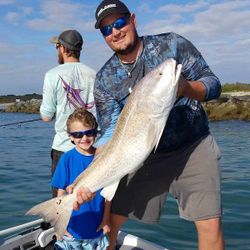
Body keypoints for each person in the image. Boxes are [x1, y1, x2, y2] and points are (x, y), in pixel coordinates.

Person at [72, 1, 225, 249]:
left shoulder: (172, 44)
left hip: (193, 145)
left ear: (133, 19)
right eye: (106, 30)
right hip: (143, 154)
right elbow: (109, 134)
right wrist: (86, 180)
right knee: (111, 218)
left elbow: (213, 83)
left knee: (210, 224)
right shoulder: (104, 79)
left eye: (119, 23)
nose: (115, 32)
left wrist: (187, 88)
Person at [40, 29, 96, 197]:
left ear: (63, 48)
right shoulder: (94, 74)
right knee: (88, 199)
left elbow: (46, 116)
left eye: (57, 47)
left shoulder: (52, 75)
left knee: (60, 201)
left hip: (63, 149)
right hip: (90, 149)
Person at [51, 108, 110, 250]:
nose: (84, 138)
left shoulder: (103, 158)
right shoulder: (66, 159)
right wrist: (61, 223)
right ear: (70, 136)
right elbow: (60, 194)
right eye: (78, 134)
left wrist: (106, 220)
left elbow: (109, 195)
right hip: (71, 230)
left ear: (96, 132)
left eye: (89, 133)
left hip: (96, 229)